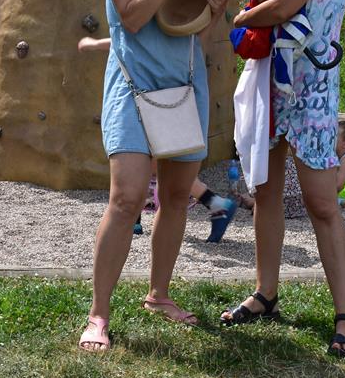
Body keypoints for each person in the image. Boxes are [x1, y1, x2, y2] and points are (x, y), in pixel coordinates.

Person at [79, 0, 233, 352]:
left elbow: (187, 28)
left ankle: (158, 294)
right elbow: (131, 18)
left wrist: (214, 6)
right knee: (125, 199)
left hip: (183, 87)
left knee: (174, 199)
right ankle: (98, 315)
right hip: (133, 85)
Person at [221, 0, 345, 358]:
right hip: (269, 86)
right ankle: (265, 293)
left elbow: (282, 6)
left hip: (314, 92)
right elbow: (262, 7)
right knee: (264, 195)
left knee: (323, 203)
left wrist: (241, 16)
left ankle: (344, 316)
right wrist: (254, 7)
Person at [78, 37, 237, 242]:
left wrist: (94, 44)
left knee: (156, 165)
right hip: (152, 98)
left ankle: (215, 203)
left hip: (155, 99)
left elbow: (131, 39)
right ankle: (212, 204)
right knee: (151, 164)